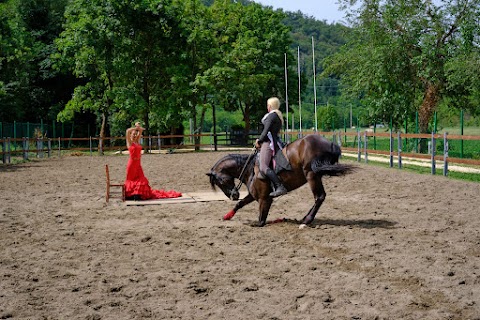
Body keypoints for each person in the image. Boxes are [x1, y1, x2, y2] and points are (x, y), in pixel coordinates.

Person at [124, 122, 182, 200]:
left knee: (141, 178)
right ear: (130, 135)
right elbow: (127, 131)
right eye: (133, 134)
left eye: (135, 134)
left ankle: (137, 194)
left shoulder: (137, 141)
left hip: (138, 164)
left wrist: (138, 129)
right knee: (132, 179)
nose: (134, 135)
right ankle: (131, 194)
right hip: (132, 164)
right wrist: (136, 128)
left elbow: (140, 132)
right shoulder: (129, 143)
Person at [255, 97, 287, 197]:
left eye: (267, 105)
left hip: (268, 142)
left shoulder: (271, 116)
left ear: (270, 106)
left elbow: (266, 131)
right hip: (274, 140)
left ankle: (279, 186)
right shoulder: (277, 115)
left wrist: (259, 140)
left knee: (263, 166)